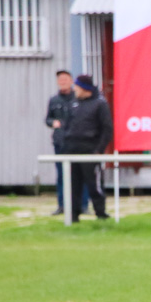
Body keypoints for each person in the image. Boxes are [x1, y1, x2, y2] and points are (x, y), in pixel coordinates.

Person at [62, 74, 112, 223]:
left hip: (90, 151)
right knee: (73, 186)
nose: (74, 89)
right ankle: (73, 216)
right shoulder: (74, 103)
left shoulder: (100, 104)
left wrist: (99, 150)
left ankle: (101, 214)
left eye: (77, 86)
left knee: (94, 185)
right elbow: (67, 125)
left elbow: (107, 129)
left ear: (85, 88)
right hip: (72, 152)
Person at [45, 70, 87, 215]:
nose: (63, 82)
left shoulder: (78, 99)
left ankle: (83, 205)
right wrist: (53, 123)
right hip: (60, 143)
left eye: (65, 80)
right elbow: (47, 119)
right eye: (60, 80)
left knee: (81, 174)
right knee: (62, 175)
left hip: (77, 143)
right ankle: (62, 205)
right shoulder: (54, 100)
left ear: (71, 81)